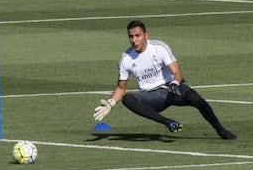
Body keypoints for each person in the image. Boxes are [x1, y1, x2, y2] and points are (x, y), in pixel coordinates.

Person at [93, 20, 237, 140]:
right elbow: (120, 87)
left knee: (197, 99)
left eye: (138, 36)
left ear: (146, 35)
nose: (134, 40)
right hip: (152, 97)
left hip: (171, 87)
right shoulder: (126, 58)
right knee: (128, 99)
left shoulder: (159, 48)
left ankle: (221, 130)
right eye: (131, 37)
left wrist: (175, 83)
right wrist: (110, 104)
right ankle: (168, 122)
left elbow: (177, 72)